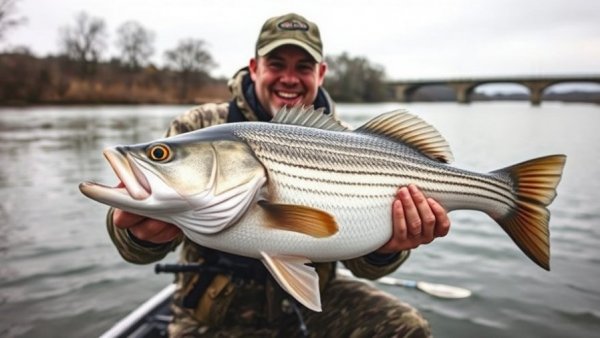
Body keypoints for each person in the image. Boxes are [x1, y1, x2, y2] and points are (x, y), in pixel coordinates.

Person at [107, 13, 450, 338]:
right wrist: (139, 237)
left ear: (322, 73)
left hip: (311, 303)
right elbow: (133, 247)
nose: (289, 78)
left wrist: (387, 250)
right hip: (212, 311)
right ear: (254, 68)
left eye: (303, 67)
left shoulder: (350, 142)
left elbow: (364, 266)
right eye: (276, 64)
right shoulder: (198, 127)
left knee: (406, 328)